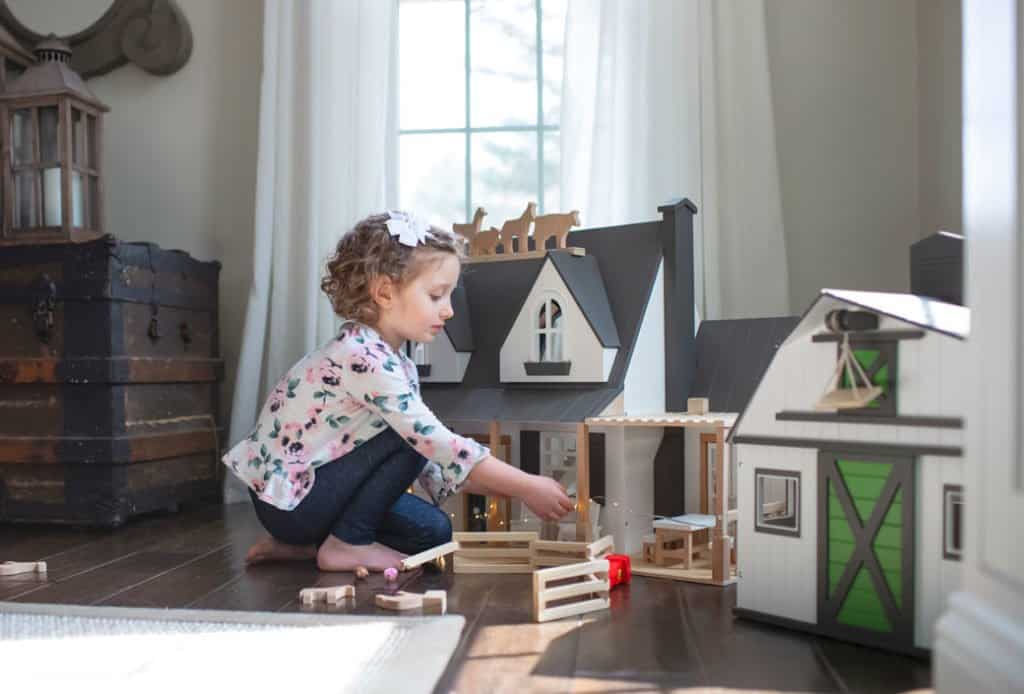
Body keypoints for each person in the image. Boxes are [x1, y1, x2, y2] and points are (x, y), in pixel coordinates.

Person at [222, 211, 574, 572]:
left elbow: (433, 465)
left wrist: (513, 490)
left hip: (318, 497)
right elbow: (434, 443)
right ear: (385, 292)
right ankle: (345, 543)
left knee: (433, 532)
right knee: (412, 437)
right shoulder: (363, 357)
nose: (449, 310)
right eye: (437, 296)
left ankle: (310, 547)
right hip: (294, 503)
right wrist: (527, 485)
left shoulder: (395, 360)